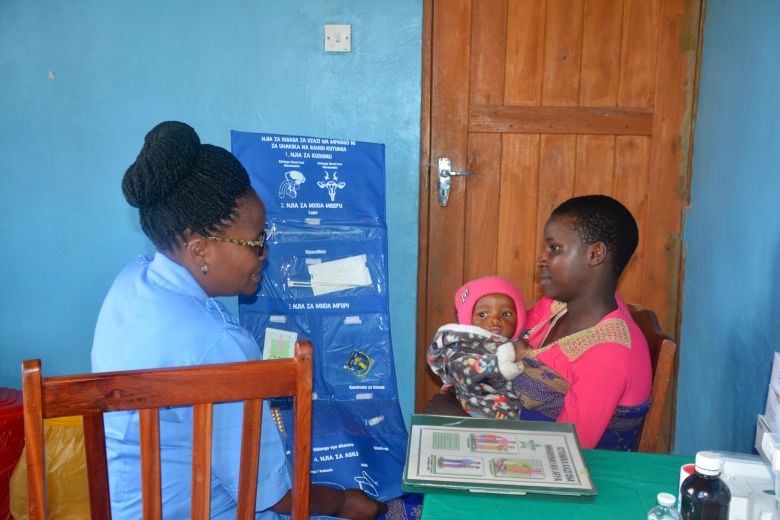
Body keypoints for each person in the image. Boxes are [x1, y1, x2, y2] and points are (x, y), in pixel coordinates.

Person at [91, 121, 385, 519]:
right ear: (200, 250)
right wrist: (345, 501)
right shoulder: (217, 347)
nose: (264, 255)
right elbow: (268, 496)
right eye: (257, 242)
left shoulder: (131, 283)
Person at [426, 195, 652, 450]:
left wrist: (460, 419)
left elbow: (563, 450)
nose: (541, 259)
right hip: (513, 433)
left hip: (571, 468)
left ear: (595, 254)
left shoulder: (608, 356)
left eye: (554, 248)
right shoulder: (559, 306)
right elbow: (497, 340)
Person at [426, 276, 528, 419]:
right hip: (473, 415)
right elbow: (469, 374)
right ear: (468, 319)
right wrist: (506, 359)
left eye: (506, 314)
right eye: (483, 314)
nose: (495, 320)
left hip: (511, 423)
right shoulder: (459, 346)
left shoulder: (517, 346)